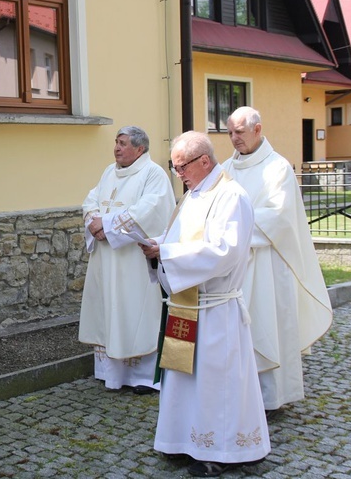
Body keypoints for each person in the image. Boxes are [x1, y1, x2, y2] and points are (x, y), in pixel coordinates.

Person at [140, 131, 269, 477]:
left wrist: (166, 252)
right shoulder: (193, 195)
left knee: (215, 384)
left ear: (204, 161)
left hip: (216, 309)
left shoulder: (231, 196)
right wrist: (158, 245)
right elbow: (180, 238)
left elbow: (223, 252)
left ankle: (220, 451)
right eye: (174, 166)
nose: (177, 173)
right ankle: (183, 440)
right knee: (184, 380)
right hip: (186, 305)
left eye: (181, 166)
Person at [222, 106, 332, 417]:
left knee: (267, 325)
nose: (233, 138)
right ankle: (242, 393)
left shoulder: (278, 168)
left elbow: (279, 217)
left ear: (257, 130)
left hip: (269, 262)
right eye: (230, 132)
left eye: (239, 132)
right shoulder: (228, 167)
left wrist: (233, 227)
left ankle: (273, 397)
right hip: (237, 264)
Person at [78, 126, 175, 395]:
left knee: (136, 310)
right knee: (110, 308)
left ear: (139, 149)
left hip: (133, 259)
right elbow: (91, 199)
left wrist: (106, 225)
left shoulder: (153, 174)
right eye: (116, 142)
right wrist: (93, 222)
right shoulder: (110, 171)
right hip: (106, 258)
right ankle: (112, 374)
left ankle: (144, 377)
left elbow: (149, 210)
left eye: (122, 143)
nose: (116, 148)